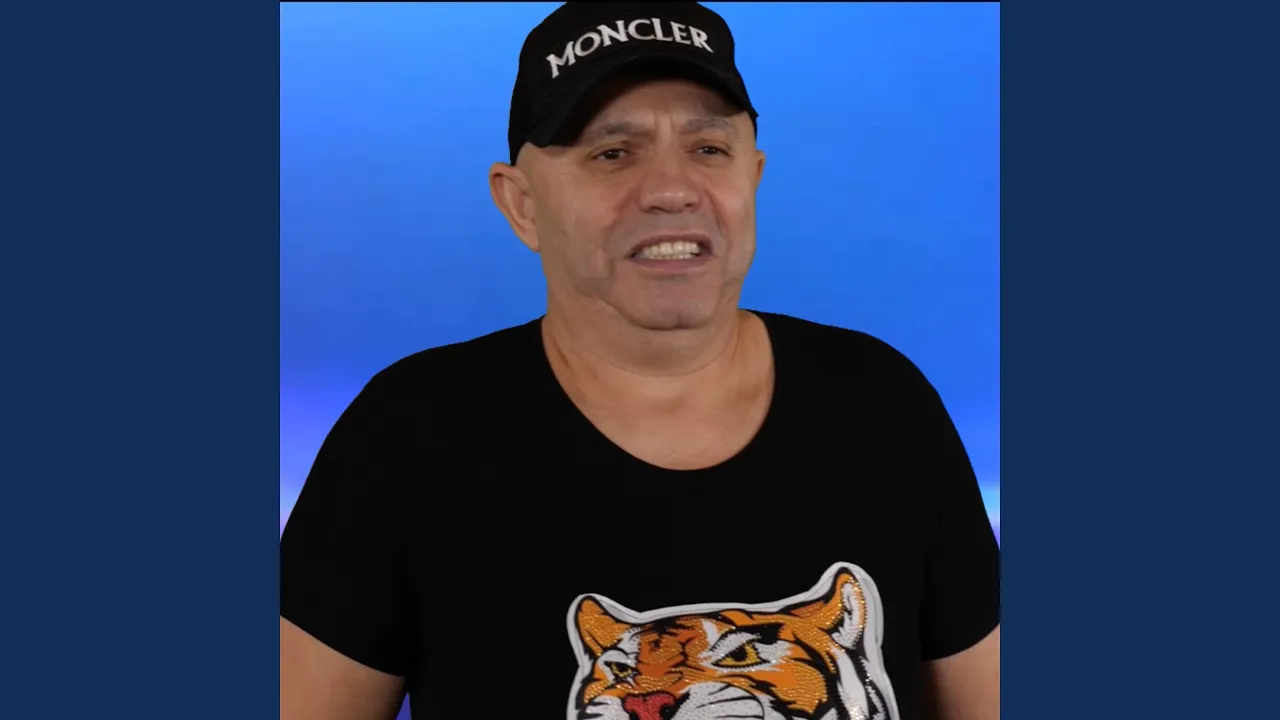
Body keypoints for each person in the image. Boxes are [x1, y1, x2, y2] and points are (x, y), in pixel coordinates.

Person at [280, 3, 1000, 720]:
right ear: (521, 204)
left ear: (752, 177)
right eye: (612, 153)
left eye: (708, 148)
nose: (671, 190)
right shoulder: (410, 434)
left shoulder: (882, 406)